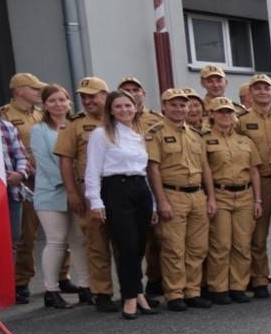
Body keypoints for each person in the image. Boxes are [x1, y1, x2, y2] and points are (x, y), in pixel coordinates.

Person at [85, 91, 159, 319]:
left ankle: (138, 293)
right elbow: (93, 169)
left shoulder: (139, 135)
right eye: (118, 106)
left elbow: (145, 173)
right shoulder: (101, 134)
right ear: (110, 110)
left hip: (140, 190)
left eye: (128, 105)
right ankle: (130, 296)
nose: (124, 110)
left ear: (136, 107)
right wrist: (95, 200)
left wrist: (154, 204)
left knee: (138, 246)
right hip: (116, 189)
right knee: (125, 246)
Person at [147, 88, 211, 311]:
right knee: (174, 247)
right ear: (164, 107)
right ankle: (175, 293)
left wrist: (210, 197)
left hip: (196, 194)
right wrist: (161, 200)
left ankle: (192, 291)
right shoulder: (156, 133)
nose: (179, 108)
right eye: (173, 104)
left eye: (183, 105)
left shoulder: (195, 135)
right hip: (172, 194)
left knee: (197, 247)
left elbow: (205, 169)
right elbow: (152, 169)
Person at [29, 85, 88, 309]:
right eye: (52, 101)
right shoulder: (39, 130)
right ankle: (51, 290)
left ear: (69, 103)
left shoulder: (75, 125)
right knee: (56, 241)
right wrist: (70, 183)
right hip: (51, 193)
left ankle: (85, 287)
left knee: (79, 240)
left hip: (76, 191)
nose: (58, 104)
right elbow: (44, 162)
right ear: (44, 105)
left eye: (62, 100)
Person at [55, 77, 112, 309]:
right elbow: (66, 161)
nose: (87, 100)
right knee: (96, 243)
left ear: (105, 96)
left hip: (119, 189)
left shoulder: (120, 119)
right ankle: (103, 293)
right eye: (83, 97)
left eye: (92, 95)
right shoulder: (75, 124)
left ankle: (130, 292)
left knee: (123, 244)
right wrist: (72, 193)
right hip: (88, 190)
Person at [203, 96, 262, 304]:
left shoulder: (245, 141)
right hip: (220, 194)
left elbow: (254, 170)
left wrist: (258, 200)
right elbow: (206, 171)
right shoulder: (205, 139)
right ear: (212, 115)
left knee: (242, 244)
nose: (225, 115)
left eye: (229, 112)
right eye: (220, 112)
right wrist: (210, 197)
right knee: (221, 244)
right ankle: (218, 287)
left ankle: (238, 286)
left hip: (245, 195)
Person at [238, 74, 271, 298]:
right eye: (257, 89)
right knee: (257, 235)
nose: (262, 92)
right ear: (250, 93)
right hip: (256, 183)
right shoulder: (241, 120)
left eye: (266, 88)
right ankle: (259, 279)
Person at [4, 72, 47, 303]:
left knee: (55, 231)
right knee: (26, 234)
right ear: (19, 90)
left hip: (48, 178)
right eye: (34, 88)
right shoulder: (5, 115)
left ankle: (62, 275)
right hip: (25, 181)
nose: (39, 93)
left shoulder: (41, 114)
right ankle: (20, 281)